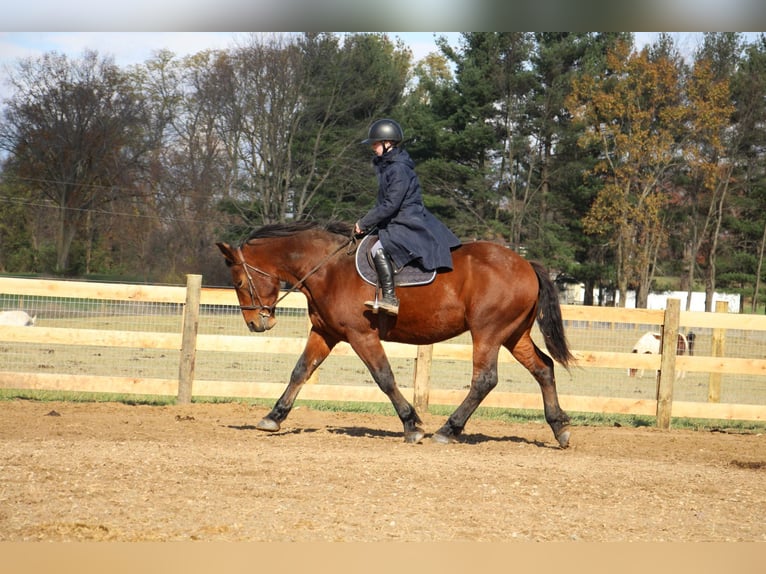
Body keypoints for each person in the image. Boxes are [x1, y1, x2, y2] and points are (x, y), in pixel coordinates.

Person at [354, 118, 461, 315]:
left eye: (375, 143)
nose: (373, 147)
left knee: (378, 248)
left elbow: (391, 204)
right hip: (396, 218)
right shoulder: (390, 166)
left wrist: (364, 221)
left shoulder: (398, 169)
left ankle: (390, 298)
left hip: (406, 220)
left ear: (388, 143)